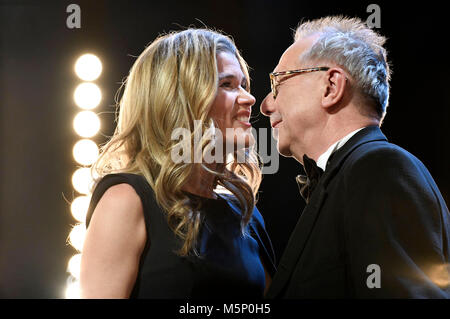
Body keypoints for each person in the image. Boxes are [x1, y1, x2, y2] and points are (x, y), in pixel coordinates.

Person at [260, 16, 450, 298]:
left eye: (278, 83)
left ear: (331, 86)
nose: (265, 104)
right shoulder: (353, 176)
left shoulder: (378, 170)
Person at [79, 29, 276, 298]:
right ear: (178, 101)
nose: (249, 98)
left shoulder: (245, 214)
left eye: (243, 84)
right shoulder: (127, 200)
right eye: (227, 85)